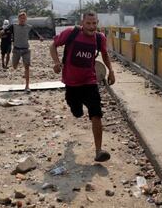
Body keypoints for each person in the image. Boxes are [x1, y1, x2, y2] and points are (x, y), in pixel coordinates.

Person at [49, 10, 115, 162]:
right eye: (88, 23)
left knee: (96, 113)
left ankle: (99, 151)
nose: (91, 27)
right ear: (82, 23)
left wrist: (111, 70)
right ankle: (76, 109)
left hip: (89, 81)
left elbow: (105, 54)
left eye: (94, 23)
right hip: (71, 83)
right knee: (77, 112)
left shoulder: (100, 38)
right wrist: (56, 62)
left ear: (97, 23)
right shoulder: (71, 33)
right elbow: (53, 46)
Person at [1, 12, 43, 93]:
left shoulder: (29, 27)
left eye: (24, 18)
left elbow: (35, 33)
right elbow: (5, 30)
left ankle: (27, 86)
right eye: (21, 18)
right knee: (14, 66)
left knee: (27, 67)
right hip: (16, 50)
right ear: (18, 19)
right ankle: (15, 64)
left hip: (26, 50)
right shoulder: (14, 26)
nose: (22, 20)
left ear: (26, 19)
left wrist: (39, 37)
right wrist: (2, 32)